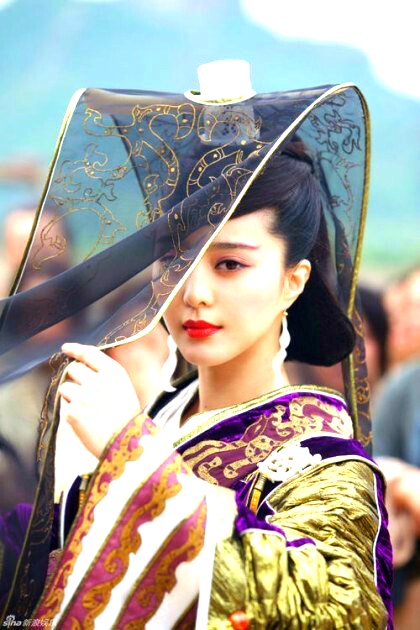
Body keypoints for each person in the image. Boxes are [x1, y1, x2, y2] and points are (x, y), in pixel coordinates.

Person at [0, 66, 392, 627]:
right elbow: (35, 557)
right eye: (176, 260)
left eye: (229, 264)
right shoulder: (161, 419)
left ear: (293, 280)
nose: (192, 293)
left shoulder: (326, 464)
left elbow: (329, 612)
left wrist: (131, 457)